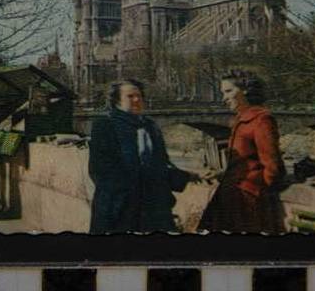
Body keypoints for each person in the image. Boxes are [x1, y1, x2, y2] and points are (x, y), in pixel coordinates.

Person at [88, 79, 194, 234]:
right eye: (130, 97)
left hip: (154, 209)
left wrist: (187, 177)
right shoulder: (105, 126)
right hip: (119, 209)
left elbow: (160, 166)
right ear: (117, 101)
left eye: (139, 96)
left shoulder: (150, 126)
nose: (137, 100)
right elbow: (100, 170)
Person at [199, 70, 286, 234]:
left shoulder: (261, 120)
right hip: (233, 197)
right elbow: (244, 162)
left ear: (245, 90)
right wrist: (222, 174)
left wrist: (254, 190)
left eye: (228, 91)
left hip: (248, 202)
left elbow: (272, 167)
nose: (224, 98)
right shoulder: (241, 119)